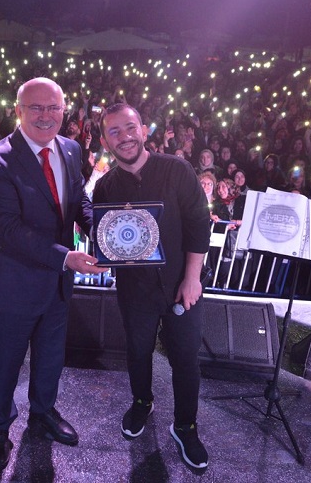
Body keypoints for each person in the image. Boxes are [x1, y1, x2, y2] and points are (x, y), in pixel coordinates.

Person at [0, 77, 104, 470]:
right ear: (19, 110)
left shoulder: (70, 148)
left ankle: (42, 414)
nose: (46, 115)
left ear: (64, 110)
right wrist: (66, 257)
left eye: (54, 107)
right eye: (36, 107)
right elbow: (9, 229)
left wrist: (101, 231)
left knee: (50, 359)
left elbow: (77, 199)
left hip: (57, 286)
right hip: (14, 286)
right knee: (6, 365)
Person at [93, 102, 211, 474]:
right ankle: (142, 402)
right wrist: (101, 253)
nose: (124, 137)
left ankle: (185, 426)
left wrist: (192, 278)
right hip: (135, 290)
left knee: (186, 359)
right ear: (105, 141)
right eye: (114, 131)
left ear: (144, 131)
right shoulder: (106, 186)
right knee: (138, 352)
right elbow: (107, 238)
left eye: (130, 128)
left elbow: (199, 223)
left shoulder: (177, 169)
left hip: (182, 284)